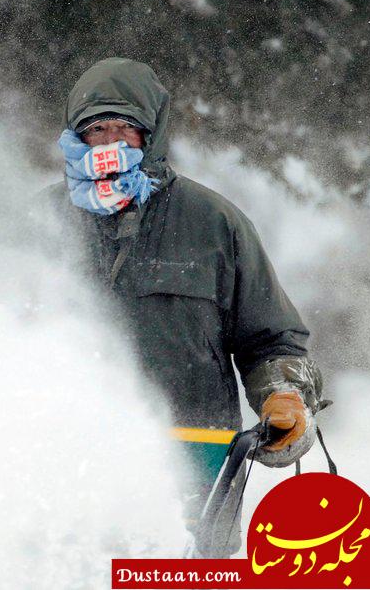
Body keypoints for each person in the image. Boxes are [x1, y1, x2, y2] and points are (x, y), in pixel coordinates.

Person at [46, 57, 327, 555]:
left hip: (197, 467)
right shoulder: (36, 222)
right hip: (60, 467)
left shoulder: (214, 223)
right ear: (75, 137)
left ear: (151, 135)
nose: (110, 144)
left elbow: (273, 340)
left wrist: (283, 398)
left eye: (125, 130)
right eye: (97, 130)